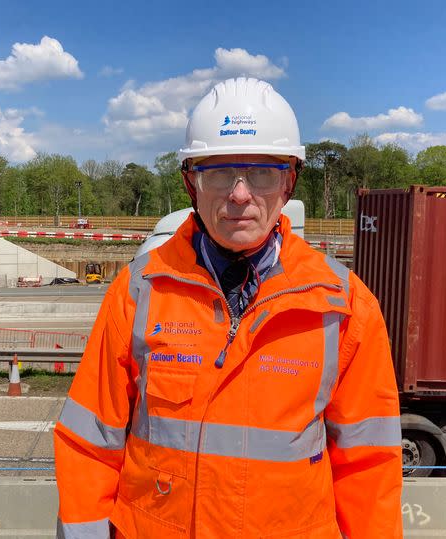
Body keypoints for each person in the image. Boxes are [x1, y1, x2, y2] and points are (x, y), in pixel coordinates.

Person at [54, 77, 402, 538]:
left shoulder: (342, 306)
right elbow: (90, 444)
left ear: (288, 183)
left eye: (261, 173)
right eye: (218, 173)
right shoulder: (140, 292)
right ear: (190, 184)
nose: (240, 195)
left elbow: (369, 466)